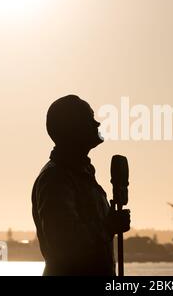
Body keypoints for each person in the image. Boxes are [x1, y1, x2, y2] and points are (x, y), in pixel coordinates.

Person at [31, 95, 130, 276]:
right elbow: (63, 241)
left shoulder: (80, 174)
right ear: (72, 128)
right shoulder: (56, 178)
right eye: (89, 119)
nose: (97, 124)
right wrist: (109, 226)